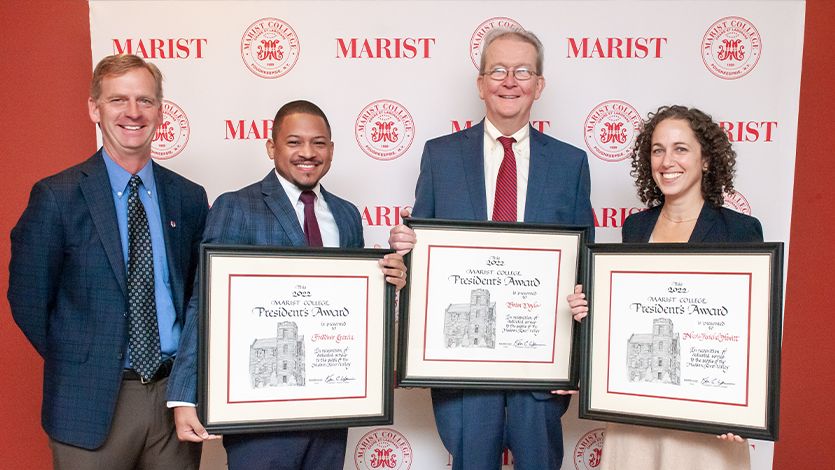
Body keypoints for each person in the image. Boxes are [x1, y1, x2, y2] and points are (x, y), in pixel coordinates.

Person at [388, 28, 594, 470]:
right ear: (480, 83)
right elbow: (423, 257)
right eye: (497, 70)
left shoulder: (570, 162)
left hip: (543, 364)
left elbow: (586, 264)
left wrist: (580, 359)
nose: (509, 81)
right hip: (461, 367)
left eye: (523, 71)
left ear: (539, 85)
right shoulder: (439, 156)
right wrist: (405, 256)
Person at [166, 100, 408, 470]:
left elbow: (352, 308)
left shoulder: (345, 214)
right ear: (271, 147)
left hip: (332, 405)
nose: (307, 153)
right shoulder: (236, 206)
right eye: (294, 142)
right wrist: (184, 395)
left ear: (331, 149)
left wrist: (390, 286)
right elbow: (206, 303)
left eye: (319, 143)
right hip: (259, 415)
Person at [8, 54, 208, 469]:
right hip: (90, 401)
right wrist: (84, 360)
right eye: (118, 100)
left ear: (160, 110)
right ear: (94, 109)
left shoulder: (188, 197)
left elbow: (198, 299)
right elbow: (29, 301)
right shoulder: (57, 197)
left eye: (145, 101)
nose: (133, 113)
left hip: (175, 398)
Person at [568, 104, 759, 469]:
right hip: (635, 418)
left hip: (707, 422)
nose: (667, 160)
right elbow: (627, 315)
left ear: (706, 160)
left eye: (680, 148)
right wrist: (590, 311)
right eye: (658, 149)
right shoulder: (636, 228)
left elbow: (750, 330)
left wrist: (747, 407)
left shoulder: (740, 230)